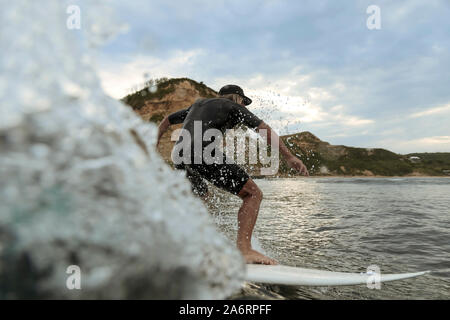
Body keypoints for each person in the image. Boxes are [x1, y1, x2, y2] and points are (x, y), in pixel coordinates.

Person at [157, 85, 309, 265]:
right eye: (244, 102)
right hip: (201, 151)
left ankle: (184, 242)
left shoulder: (199, 105)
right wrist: (289, 156)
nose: (244, 106)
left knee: (201, 196)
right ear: (238, 99)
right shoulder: (233, 106)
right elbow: (263, 128)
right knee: (253, 194)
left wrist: (154, 145)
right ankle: (245, 250)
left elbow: (166, 120)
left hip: (179, 155)